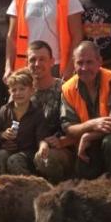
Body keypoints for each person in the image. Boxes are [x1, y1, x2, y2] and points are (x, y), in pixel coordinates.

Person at [61, 40, 111, 183]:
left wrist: (88, 136)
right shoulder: (67, 88)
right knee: (84, 170)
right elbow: (68, 128)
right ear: (74, 63)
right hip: (89, 143)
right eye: (80, 63)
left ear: (99, 61)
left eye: (89, 62)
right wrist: (92, 125)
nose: (84, 67)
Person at [25, 40, 76, 183]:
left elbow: (78, 121)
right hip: (29, 147)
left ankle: (59, 197)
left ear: (52, 62)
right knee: (3, 157)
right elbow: (12, 120)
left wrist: (63, 140)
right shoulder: (21, 91)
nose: (37, 64)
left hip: (60, 149)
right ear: (26, 63)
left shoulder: (65, 89)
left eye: (42, 59)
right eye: (32, 60)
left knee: (44, 159)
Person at [0, 68, 52, 175]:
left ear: (32, 91)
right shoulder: (4, 110)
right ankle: (2, 187)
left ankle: (26, 187)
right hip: (8, 149)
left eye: (22, 89)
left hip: (28, 153)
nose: (18, 93)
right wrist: (3, 135)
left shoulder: (37, 113)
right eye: (14, 90)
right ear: (10, 92)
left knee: (14, 160)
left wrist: (43, 146)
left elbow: (41, 138)